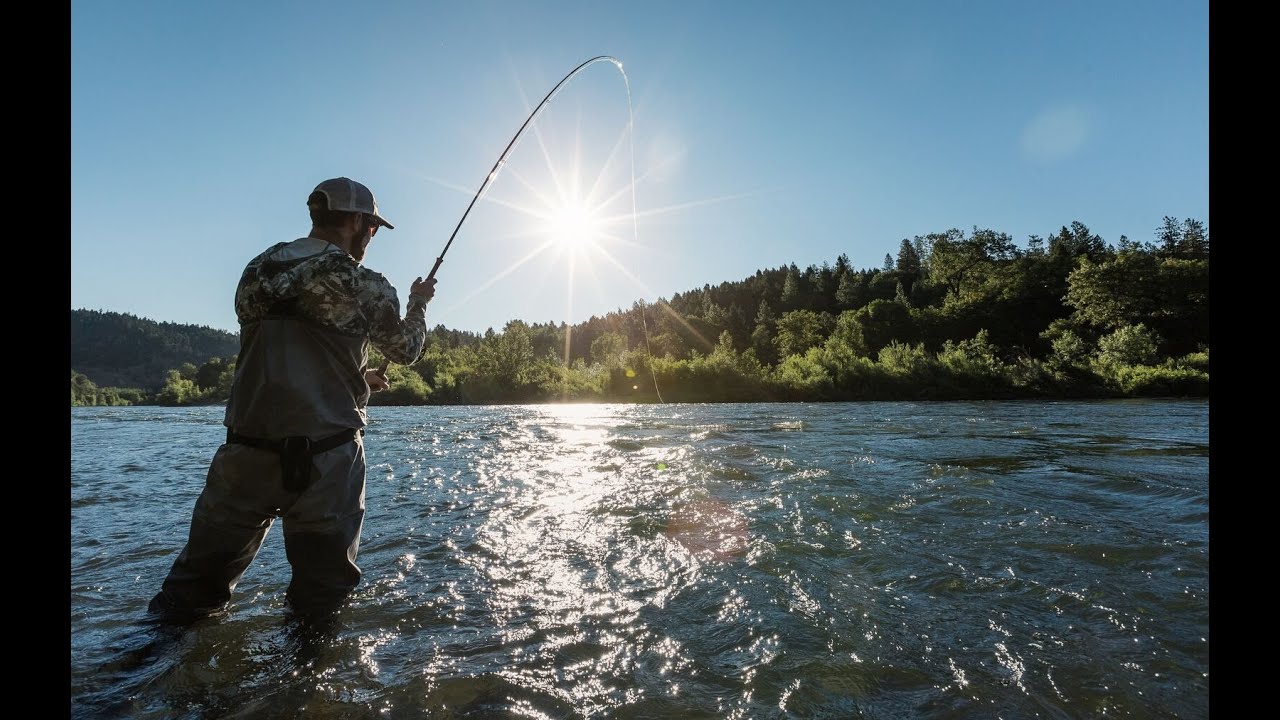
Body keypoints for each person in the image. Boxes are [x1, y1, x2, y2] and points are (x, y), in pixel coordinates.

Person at [149, 177, 436, 620]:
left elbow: (293, 341)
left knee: (190, 594)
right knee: (321, 601)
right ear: (359, 223)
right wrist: (418, 303)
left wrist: (358, 374)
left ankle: (139, 676)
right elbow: (406, 350)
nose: (371, 237)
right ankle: (304, 686)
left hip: (244, 455)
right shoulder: (362, 282)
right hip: (326, 460)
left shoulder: (258, 270)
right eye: (373, 228)